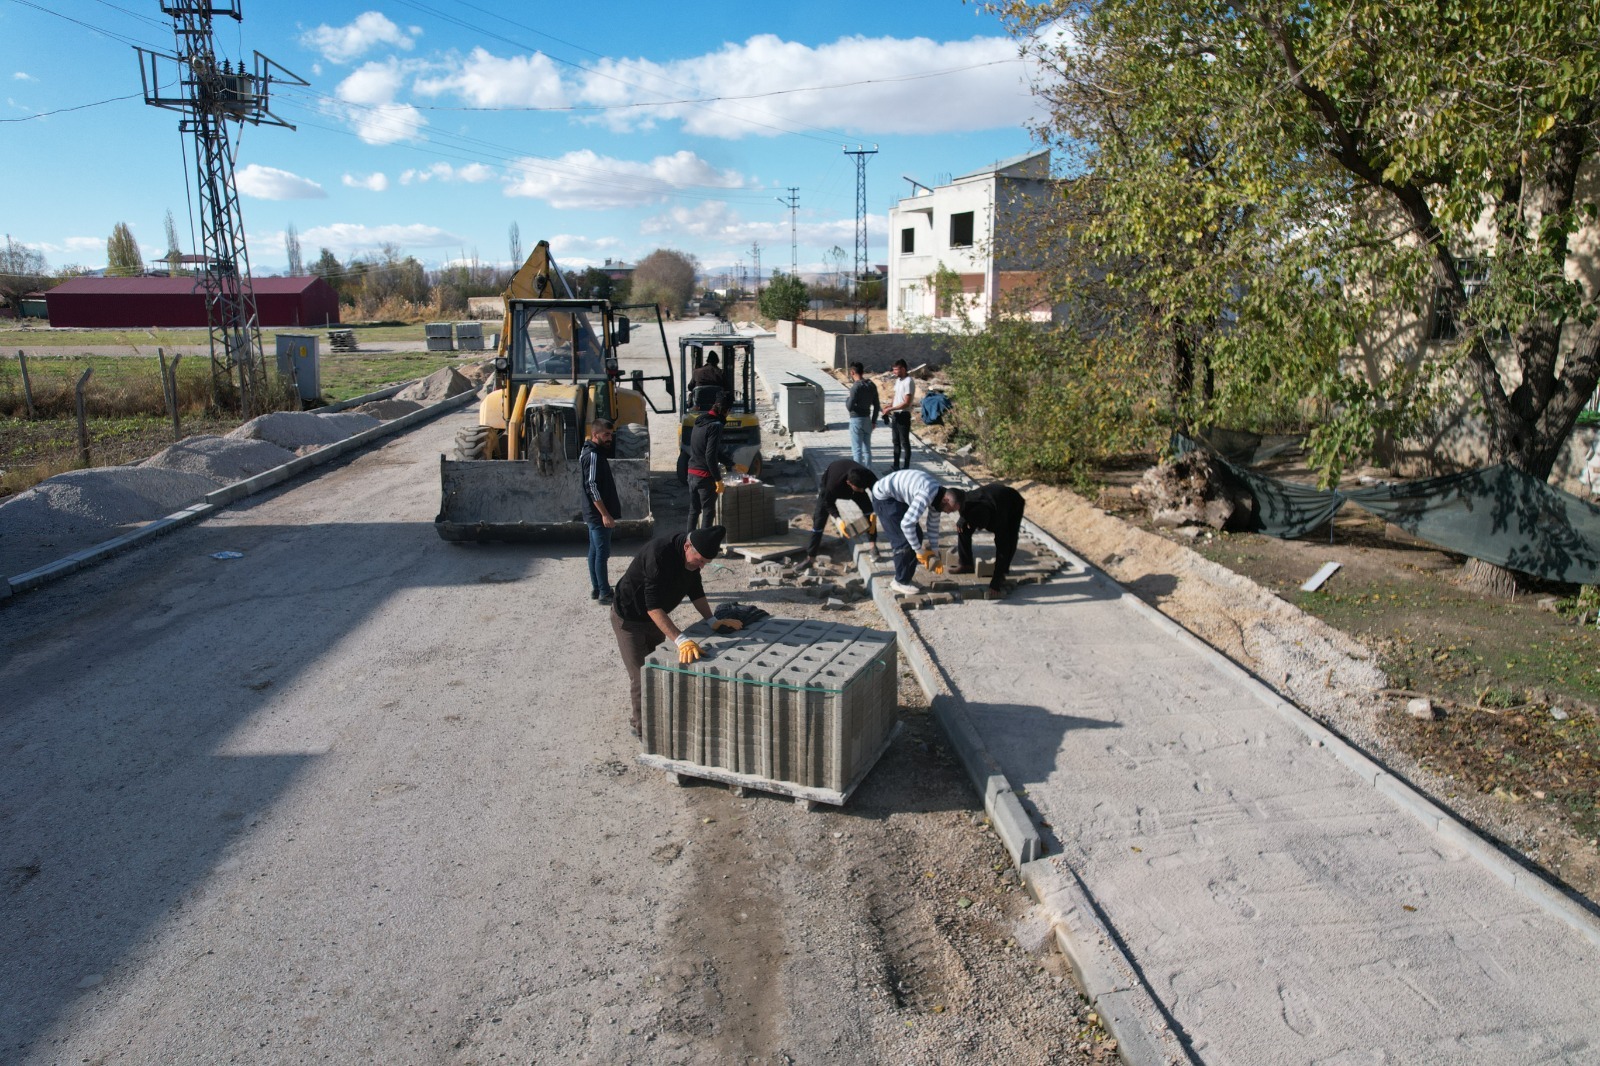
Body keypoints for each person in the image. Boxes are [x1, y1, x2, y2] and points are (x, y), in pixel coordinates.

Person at [610, 525, 742, 736]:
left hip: (655, 620)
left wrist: (712, 621)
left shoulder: (691, 561)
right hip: (630, 618)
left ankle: (656, 717)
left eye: (706, 563)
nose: (701, 566)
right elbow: (651, 606)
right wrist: (681, 639)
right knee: (642, 676)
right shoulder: (659, 555)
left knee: (657, 669)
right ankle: (645, 731)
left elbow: (695, 590)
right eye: (699, 560)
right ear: (687, 546)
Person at [869, 468, 964, 596]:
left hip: (897, 496)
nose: (949, 512)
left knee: (916, 535)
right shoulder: (926, 494)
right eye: (950, 509)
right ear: (945, 500)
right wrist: (919, 552)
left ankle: (906, 579)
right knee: (903, 540)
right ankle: (899, 581)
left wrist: (934, 553)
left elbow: (933, 525)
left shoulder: (938, 497)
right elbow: (906, 524)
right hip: (884, 498)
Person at [954, 483, 1026, 593]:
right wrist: (962, 519)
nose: (977, 530)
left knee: (1009, 539)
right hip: (989, 496)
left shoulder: (999, 521)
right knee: (963, 528)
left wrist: (996, 581)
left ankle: (1002, 573)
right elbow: (959, 499)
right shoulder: (969, 501)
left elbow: (1003, 549)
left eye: (979, 527)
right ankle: (966, 563)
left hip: (1013, 502)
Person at [579, 418, 620, 605]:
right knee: (602, 553)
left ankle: (597, 588)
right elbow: (592, 486)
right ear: (595, 435)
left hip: (594, 513)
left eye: (611, 434)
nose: (610, 438)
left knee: (595, 552)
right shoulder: (593, 455)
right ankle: (604, 592)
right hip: (598, 515)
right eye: (606, 434)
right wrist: (605, 514)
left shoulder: (593, 452)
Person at [804, 458, 878, 558]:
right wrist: (838, 519)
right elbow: (828, 503)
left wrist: (878, 510)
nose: (862, 491)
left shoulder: (866, 476)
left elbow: (880, 493)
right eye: (860, 488)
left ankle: (873, 546)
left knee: (869, 513)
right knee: (819, 519)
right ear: (849, 483)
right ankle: (811, 556)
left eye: (863, 488)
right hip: (830, 484)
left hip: (855, 484)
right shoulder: (832, 486)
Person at [685, 391, 727, 531]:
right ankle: (703, 549)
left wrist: (731, 463)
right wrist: (718, 479)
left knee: (694, 511)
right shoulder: (715, 426)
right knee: (708, 512)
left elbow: (711, 451)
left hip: (691, 473)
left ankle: (688, 545)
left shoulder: (700, 422)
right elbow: (710, 456)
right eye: (728, 413)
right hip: (704, 477)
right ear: (724, 411)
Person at [845, 361, 882, 468]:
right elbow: (877, 405)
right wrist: (874, 421)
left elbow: (849, 407)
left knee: (857, 450)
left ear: (852, 372)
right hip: (867, 420)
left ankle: (859, 475)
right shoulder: (871, 385)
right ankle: (868, 472)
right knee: (867, 450)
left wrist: (847, 399)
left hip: (856, 420)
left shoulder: (855, 387)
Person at [882, 359, 916, 470]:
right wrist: (889, 407)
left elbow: (906, 402)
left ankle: (906, 467)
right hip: (896, 415)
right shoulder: (899, 381)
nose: (894, 372)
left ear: (903, 369)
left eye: (896, 369)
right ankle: (895, 466)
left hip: (903, 415)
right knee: (895, 441)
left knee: (904, 442)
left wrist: (892, 408)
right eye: (894, 369)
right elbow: (897, 397)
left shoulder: (908, 381)